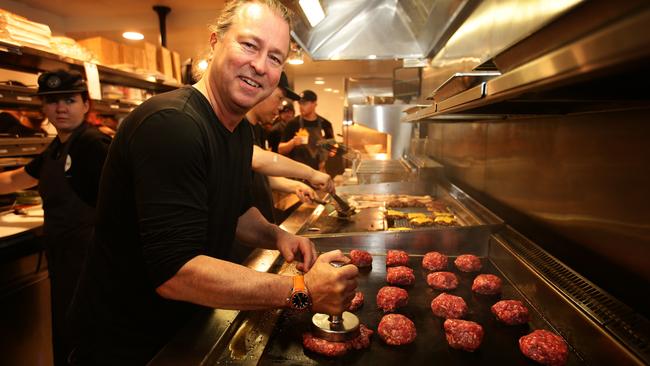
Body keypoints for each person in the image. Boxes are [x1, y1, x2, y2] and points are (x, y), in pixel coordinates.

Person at [68, 1, 357, 364]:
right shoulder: (172, 125)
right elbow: (177, 273)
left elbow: (235, 210)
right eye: (249, 45)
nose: (260, 65)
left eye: (275, 57)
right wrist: (302, 291)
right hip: (126, 343)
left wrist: (277, 235)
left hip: (184, 330)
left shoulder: (237, 131)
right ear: (214, 42)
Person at [0, 69, 111, 366]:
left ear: (85, 104)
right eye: (52, 101)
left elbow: (121, 209)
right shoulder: (57, 147)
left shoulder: (92, 145)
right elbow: (16, 180)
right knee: (67, 341)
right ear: (43, 108)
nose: (61, 108)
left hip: (90, 268)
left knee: (88, 346)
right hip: (64, 262)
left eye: (70, 100)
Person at [279, 89, 335, 170]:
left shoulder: (325, 124)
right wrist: (293, 143)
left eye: (304, 103)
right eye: (299, 103)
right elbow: (280, 149)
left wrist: (328, 150)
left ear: (314, 104)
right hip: (298, 173)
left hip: (319, 171)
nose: (301, 106)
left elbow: (333, 150)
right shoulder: (293, 123)